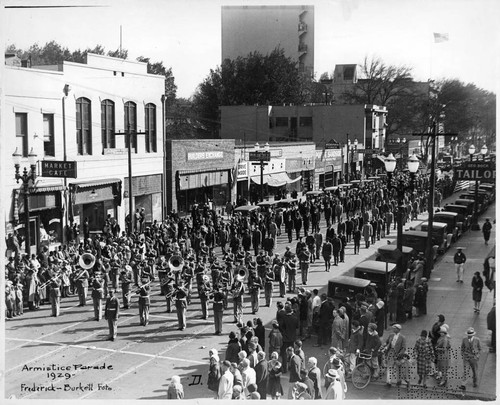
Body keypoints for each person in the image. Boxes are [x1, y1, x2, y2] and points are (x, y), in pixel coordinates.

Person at [382, 323, 408, 388]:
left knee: (398, 368)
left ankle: (399, 381)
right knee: (389, 368)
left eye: (395, 328)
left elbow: (404, 347)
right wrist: (384, 345)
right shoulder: (391, 335)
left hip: (398, 354)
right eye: (393, 328)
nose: (393, 329)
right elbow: (387, 342)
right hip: (391, 353)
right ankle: (388, 382)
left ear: (398, 330)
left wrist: (400, 354)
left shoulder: (402, 338)